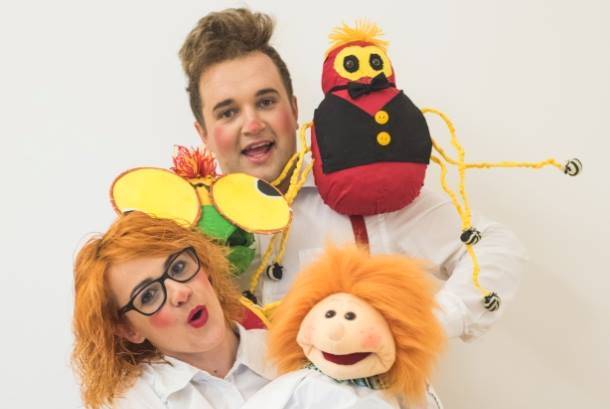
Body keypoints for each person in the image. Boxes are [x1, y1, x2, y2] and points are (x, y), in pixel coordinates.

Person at [178, 8, 526, 342]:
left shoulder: (365, 193)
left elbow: (494, 245)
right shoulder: (184, 229)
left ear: (294, 109)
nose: (253, 124)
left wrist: (420, 331)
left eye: (266, 102)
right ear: (203, 133)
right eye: (228, 113)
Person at [72, 211, 275, 409]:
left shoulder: (284, 350)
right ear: (129, 329)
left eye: (178, 267)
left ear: (204, 264)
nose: (181, 293)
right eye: (148, 295)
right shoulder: (131, 402)